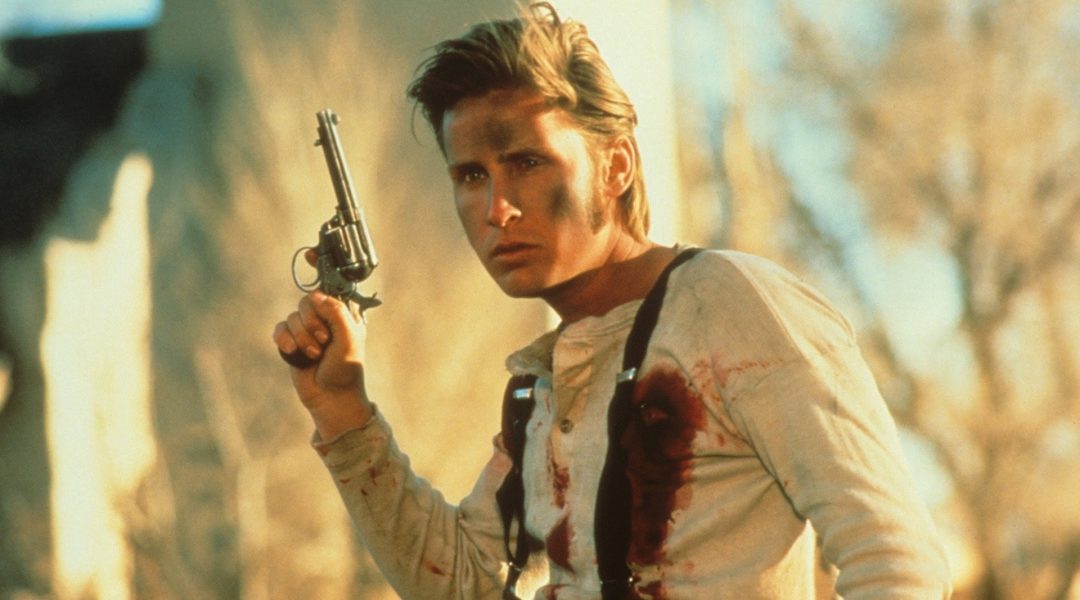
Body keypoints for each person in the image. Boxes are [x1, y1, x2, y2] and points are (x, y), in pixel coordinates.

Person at [272, 3, 952, 598]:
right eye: (471, 176)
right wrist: (342, 412)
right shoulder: (545, 384)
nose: (497, 208)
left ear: (616, 166)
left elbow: (896, 562)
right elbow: (466, 584)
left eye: (527, 162)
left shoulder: (732, 307)